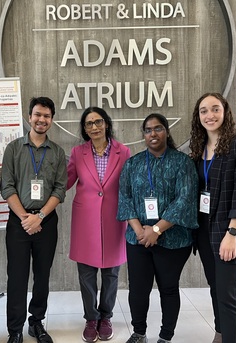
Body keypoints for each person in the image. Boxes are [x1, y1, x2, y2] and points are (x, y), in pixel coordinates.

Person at [189, 93, 236, 343]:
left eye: (215, 109)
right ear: (198, 117)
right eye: (203, 111)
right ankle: (220, 334)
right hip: (204, 231)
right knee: (216, 289)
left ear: (225, 112)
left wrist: (232, 234)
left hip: (229, 231)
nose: (209, 115)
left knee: (228, 293)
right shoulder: (198, 149)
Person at [117, 113, 198, 343]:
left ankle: (165, 336)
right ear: (143, 135)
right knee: (138, 290)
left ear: (166, 131)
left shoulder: (182, 163)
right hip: (138, 239)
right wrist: (141, 231)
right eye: (148, 130)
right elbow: (124, 198)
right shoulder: (133, 163)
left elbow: (184, 200)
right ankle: (139, 332)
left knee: (169, 289)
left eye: (158, 128)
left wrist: (156, 230)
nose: (153, 134)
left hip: (173, 240)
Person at [0, 97, 67, 343]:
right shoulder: (14, 148)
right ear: (29, 117)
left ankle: (36, 322)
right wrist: (25, 218)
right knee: (16, 277)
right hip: (19, 220)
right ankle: (15, 330)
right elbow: (6, 186)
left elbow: (60, 190)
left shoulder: (58, 152)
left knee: (42, 275)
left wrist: (39, 217)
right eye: (37, 114)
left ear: (52, 120)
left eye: (47, 116)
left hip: (46, 221)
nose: (42, 119)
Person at [67, 107, 131, 343]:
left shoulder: (123, 152)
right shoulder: (77, 152)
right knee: (86, 274)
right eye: (88, 124)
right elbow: (66, 181)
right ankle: (91, 318)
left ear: (106, 124)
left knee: (111, 273)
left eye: (98, 122)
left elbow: (128, 186)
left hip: (114, 219)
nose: (94, 127)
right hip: (85, 221)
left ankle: (106, 316)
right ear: (84, 129)